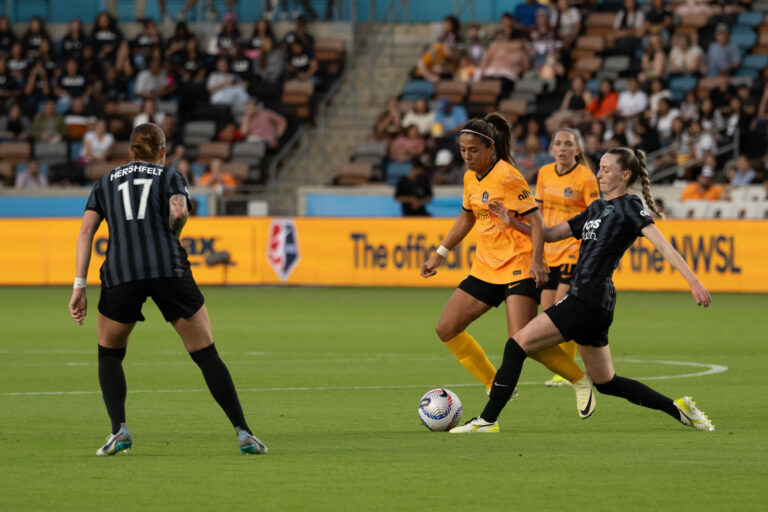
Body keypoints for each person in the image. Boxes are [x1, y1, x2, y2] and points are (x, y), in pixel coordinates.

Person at [450, 147, 714, 433]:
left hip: (586, 297)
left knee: (516, 345)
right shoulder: (596, 209)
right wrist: (512, 222)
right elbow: (550, 234)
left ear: (625, 175)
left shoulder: (630, 205)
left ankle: (487, 420)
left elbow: (663, 245)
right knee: (606, 382)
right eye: (599, 167)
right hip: (595, 303)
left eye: (607, 169)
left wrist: (694, 281)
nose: (599, 173)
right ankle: (679, 409)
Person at [68, 123, 266, 455]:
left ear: (130, 150)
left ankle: (119, 430)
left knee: (109, 352)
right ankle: (243, 432)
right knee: (205, 353)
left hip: (121, 271)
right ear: (163, 151)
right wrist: (171, 236)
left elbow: (86, 232)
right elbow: (179, 210)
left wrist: (79, 285)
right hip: (168, 269)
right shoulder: (170, 176)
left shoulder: (105, 182)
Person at [420, 113, 595, 418]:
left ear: (490, 149)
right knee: (446, 328)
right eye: (462, 150)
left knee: (524, 341)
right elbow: (466, 218)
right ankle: (493, 381)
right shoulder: (469, 178)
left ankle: (581, 381)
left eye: (473, 150)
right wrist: (440, 253)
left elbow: (537, 222)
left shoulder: (508, 176)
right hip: (486, 267)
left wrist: (538, 261)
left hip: (518, 265)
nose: (466, 156)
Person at [531, 128, 600, 386]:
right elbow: (537, 212)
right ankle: (573, 362)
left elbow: (595, 214)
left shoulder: (586, 178)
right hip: (550, 253)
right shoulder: (544, 173)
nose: (562, 148)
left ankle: (568, 372)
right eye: (558, 144)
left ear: (577, 150)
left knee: (562, 311)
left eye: (568, 144)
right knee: (548, 313)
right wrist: (536, 247)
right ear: (551, 149)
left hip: (573, 251)